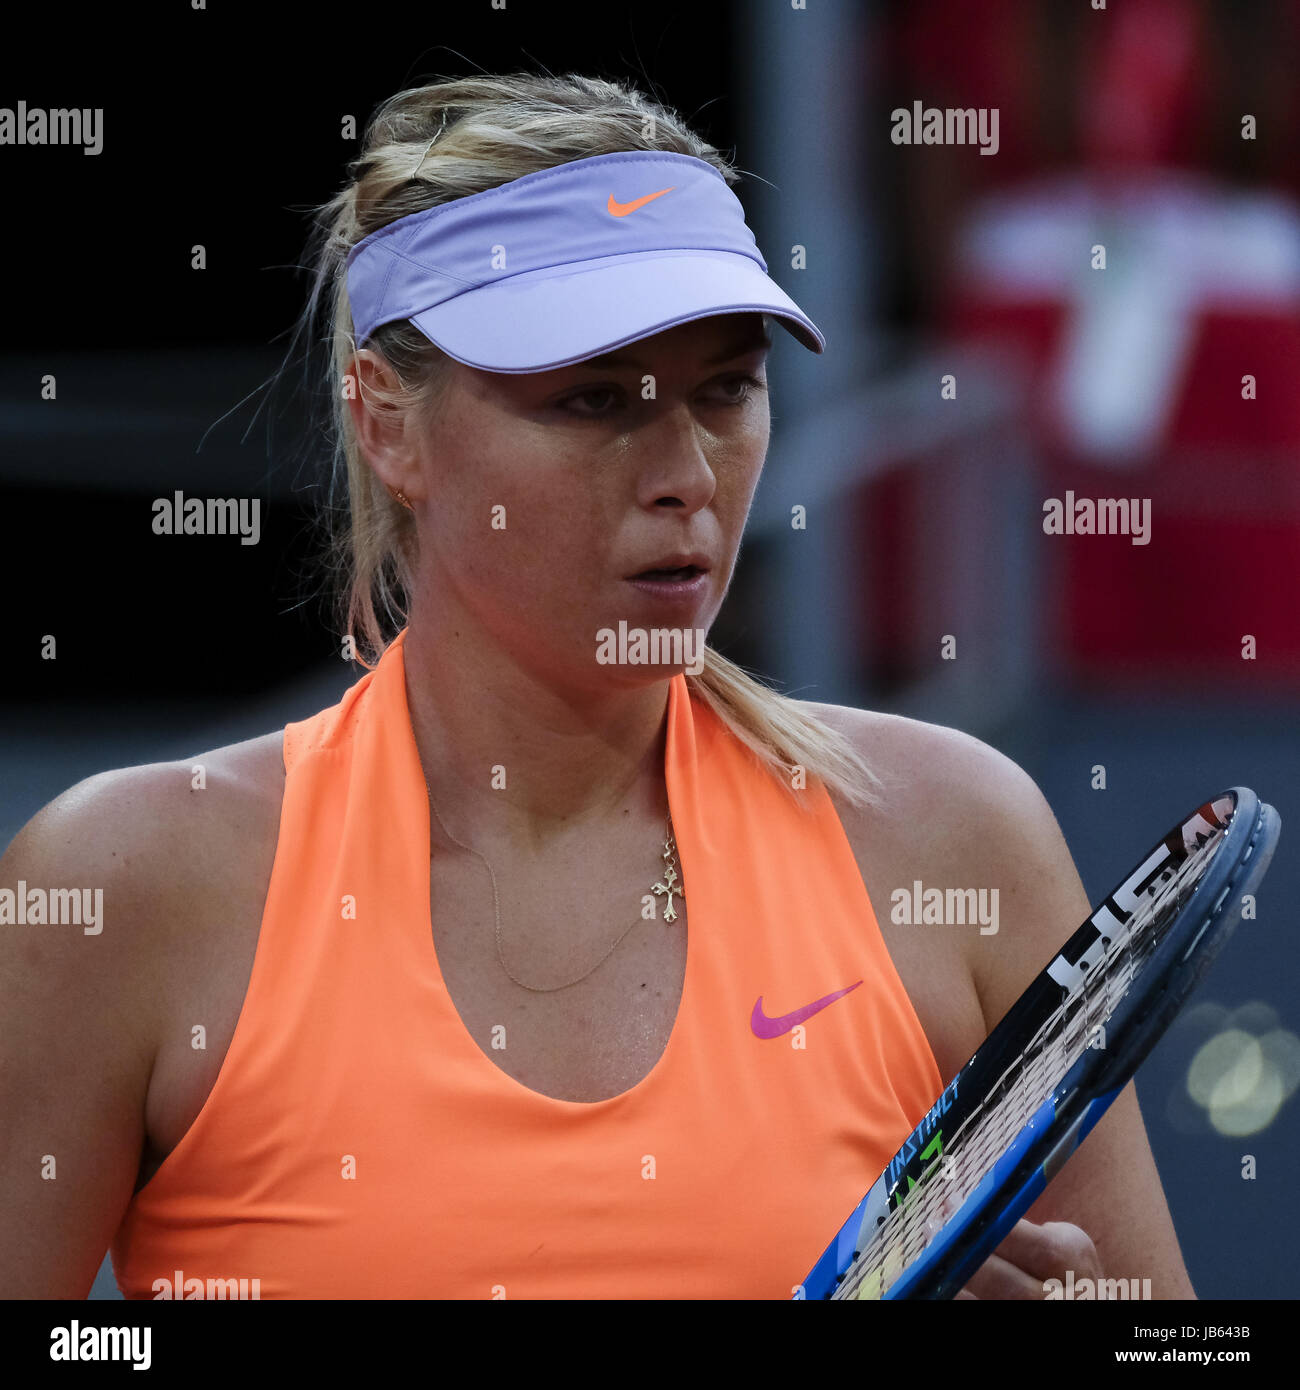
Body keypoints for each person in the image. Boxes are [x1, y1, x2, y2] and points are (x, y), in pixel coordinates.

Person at [0, 72, 1195, 1299]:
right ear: (385, 423)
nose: (687, 473)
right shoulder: (126, 887)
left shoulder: (955, 836)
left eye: (726, 388)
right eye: (592, 400)